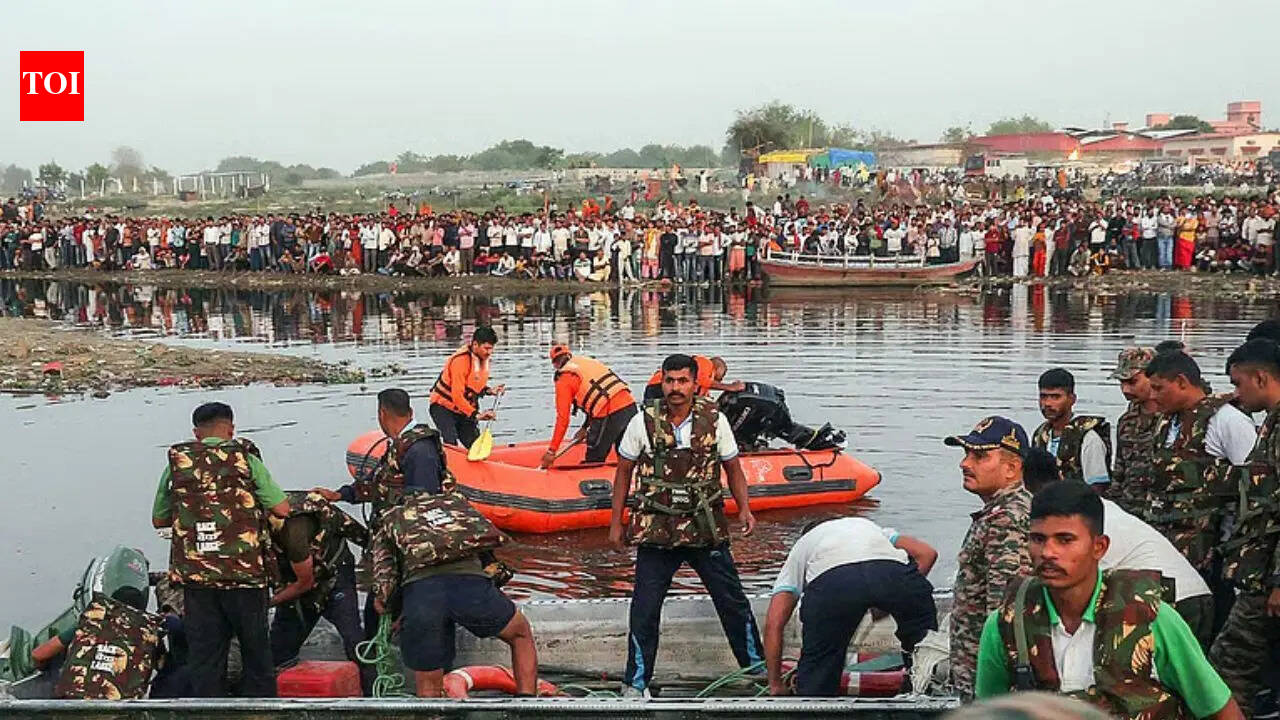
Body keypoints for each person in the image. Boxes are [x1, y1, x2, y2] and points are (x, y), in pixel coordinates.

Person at [974, 482, 1242, 720]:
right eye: (1038, 539)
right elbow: (988, 711)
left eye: (1065, 540)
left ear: (1099, 547)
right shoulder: (1007, 624)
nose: (1048, 553)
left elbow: (1219, 708)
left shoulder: (1150, 619)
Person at [609, 353, 762, 697]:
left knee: (733, 602)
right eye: (669, 381)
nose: (675, 388)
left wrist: (745, 510)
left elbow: (733, 469)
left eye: (682, 381)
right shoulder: (642, 422)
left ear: (696, 384)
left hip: (705, 530)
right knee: (645, 608)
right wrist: (616, 522)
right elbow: (623, 472)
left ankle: (758, 671)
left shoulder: (715, 420)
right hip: (656, 532)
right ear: (661, 382)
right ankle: (635, 684)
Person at [370, 425, 537, 698]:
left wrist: (393, 609)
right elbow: (491, 560)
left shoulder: (391, 516)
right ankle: (527, 704)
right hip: (469, 588)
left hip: (422, 595)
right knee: (520, 634)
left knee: (428, 681)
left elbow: (384, 587)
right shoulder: (459, 505)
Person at [150, 402, 289, 697]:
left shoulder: (177, 462)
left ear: (196, 434)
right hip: (246, 579)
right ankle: (262, 714)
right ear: (231, 429)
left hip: (198, 580)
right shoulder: (245, 458)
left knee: (205, 660)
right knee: (257, 656)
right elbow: (282, 507)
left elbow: (159, 519)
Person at [1023, 449, 1215, 649]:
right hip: (1176, 595)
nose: (1048, 551)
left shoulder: (1081, 521)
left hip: (1174, 601)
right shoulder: (1088, 511)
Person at [313, 388, 450, 638]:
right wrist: (340, 494)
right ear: (409, 411)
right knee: (375, 612)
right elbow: (381, 485)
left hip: (404, 551)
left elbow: (422, 509)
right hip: (390, 547)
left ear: (382, 413)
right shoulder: (401, 446)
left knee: (379, 613)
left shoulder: (419, 451)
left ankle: (380, 665)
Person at [1145, 350, 1256, 636]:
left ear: (1182, 382)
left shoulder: (1227, 420)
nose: (1152, 396)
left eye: (1159, 388)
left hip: (1212, 551)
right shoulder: (1167, 423)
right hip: (1169, 546)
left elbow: (1255, 485)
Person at [763, 516, 938, 697]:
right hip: (895, 573)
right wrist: (889, 598)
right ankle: (922, 689)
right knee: (922, 646)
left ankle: (814, 703)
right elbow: (927, 554)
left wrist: (775, 684)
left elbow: (773, 624)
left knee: (820, 665)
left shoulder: (802, 546)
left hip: (835, 583)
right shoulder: (869, 526)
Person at [1212, 339, 1280, 717]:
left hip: (1267, 577)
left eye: (1239, 384)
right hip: (1258, 570)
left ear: (1260, 377)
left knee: (1228, 668)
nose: (1236, 395)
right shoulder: (1270, 423)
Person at [945, 415, 1033, 698]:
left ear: (1011, 468)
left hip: (988, 680)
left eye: (979, 456)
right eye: (966, 454)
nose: (964, 463)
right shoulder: (998, 511)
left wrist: (994, 683)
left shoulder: (1006, 518)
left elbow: (1004, 610)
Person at [267, 490, 373, 694]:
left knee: (354, 639)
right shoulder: (247, 527)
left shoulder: (294, 530)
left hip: (333, 577)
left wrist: (268, 603)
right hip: (294, 584)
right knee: (278, 651)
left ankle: (376, 699)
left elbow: (364, 538)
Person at [31, 586, 162, 699]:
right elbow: (163, 668)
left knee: (56, 661)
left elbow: (38, 655)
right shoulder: (149, 634)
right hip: (119, 712)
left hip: (71, 704)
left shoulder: (90, 623)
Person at [540, 345, 638, 468]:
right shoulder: (587, 362)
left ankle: (591, 482)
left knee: (594, 459)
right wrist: (584, 428)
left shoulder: (564, 379)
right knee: (627, 455)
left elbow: (562, 419)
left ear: (555, 364)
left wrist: (551, 451)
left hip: (608, 414)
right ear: (569, 356)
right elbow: (599, 396)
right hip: (630, 407)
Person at [1032, 368, 1112, 490]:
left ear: (1072, 399)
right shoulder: (1040, 435)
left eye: (1055, 397)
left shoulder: (1088, 438)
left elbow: (1097, 487)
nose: (1047, 403)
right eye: (1043, 397)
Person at [427, 327, 504, 448]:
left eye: (492, 348)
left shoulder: (480, 359)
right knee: (451, 441)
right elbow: (457, 396)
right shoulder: (460, 362)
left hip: (463, 411)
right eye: (487, 348)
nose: (489, 352)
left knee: (475, 446)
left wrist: (489, 391)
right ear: (475, 344)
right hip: (443, 408)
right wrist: (477, 415)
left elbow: (473, 386)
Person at [1108, 348, 1160, 518]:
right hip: (1129, 513)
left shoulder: (1172, 420)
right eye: (1121, 383)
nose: (1125, 390)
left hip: (1160, 513)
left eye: (1132, 382)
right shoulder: (1126, 422)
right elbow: (1119, 472)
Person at [641, 354, 743, 402]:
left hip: (659, 389)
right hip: (659, 386)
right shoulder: (705, 363)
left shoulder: (702, 385)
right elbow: (701, 380)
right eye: (723, 375)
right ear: (719, 367)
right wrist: (730, 387)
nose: (721, 380)